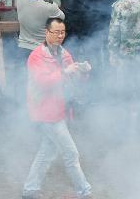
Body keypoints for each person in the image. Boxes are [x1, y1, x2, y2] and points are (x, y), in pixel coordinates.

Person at [21, 16, 93, 199]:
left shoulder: (63, 53)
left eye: (63, 32)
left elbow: (73, 80)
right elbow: (43, 82)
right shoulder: (37, 56)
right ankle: (84, 191)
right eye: (56, 32)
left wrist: (82, 72)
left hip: (60, 109)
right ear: (47, 33)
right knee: (70, 153)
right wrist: (65, 72)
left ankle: (30, 189)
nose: (60, 36)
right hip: (45, 111)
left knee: (48, 151)